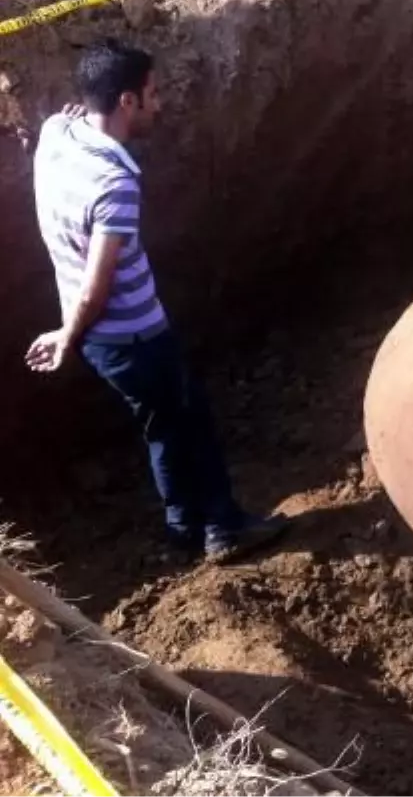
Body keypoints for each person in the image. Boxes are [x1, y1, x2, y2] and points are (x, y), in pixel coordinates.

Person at [25, 38, 289, 564]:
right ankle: (223, 527)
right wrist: (67, 336)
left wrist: (74, 336)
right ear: (125, 101)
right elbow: (98, 282)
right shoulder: (114, 182)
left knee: (161, 424)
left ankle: (181, 525)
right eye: (152, 93)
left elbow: (60, 116)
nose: (159, 103)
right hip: (134, 336)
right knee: (190, 420)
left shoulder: (56, 136)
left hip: (105, 345)